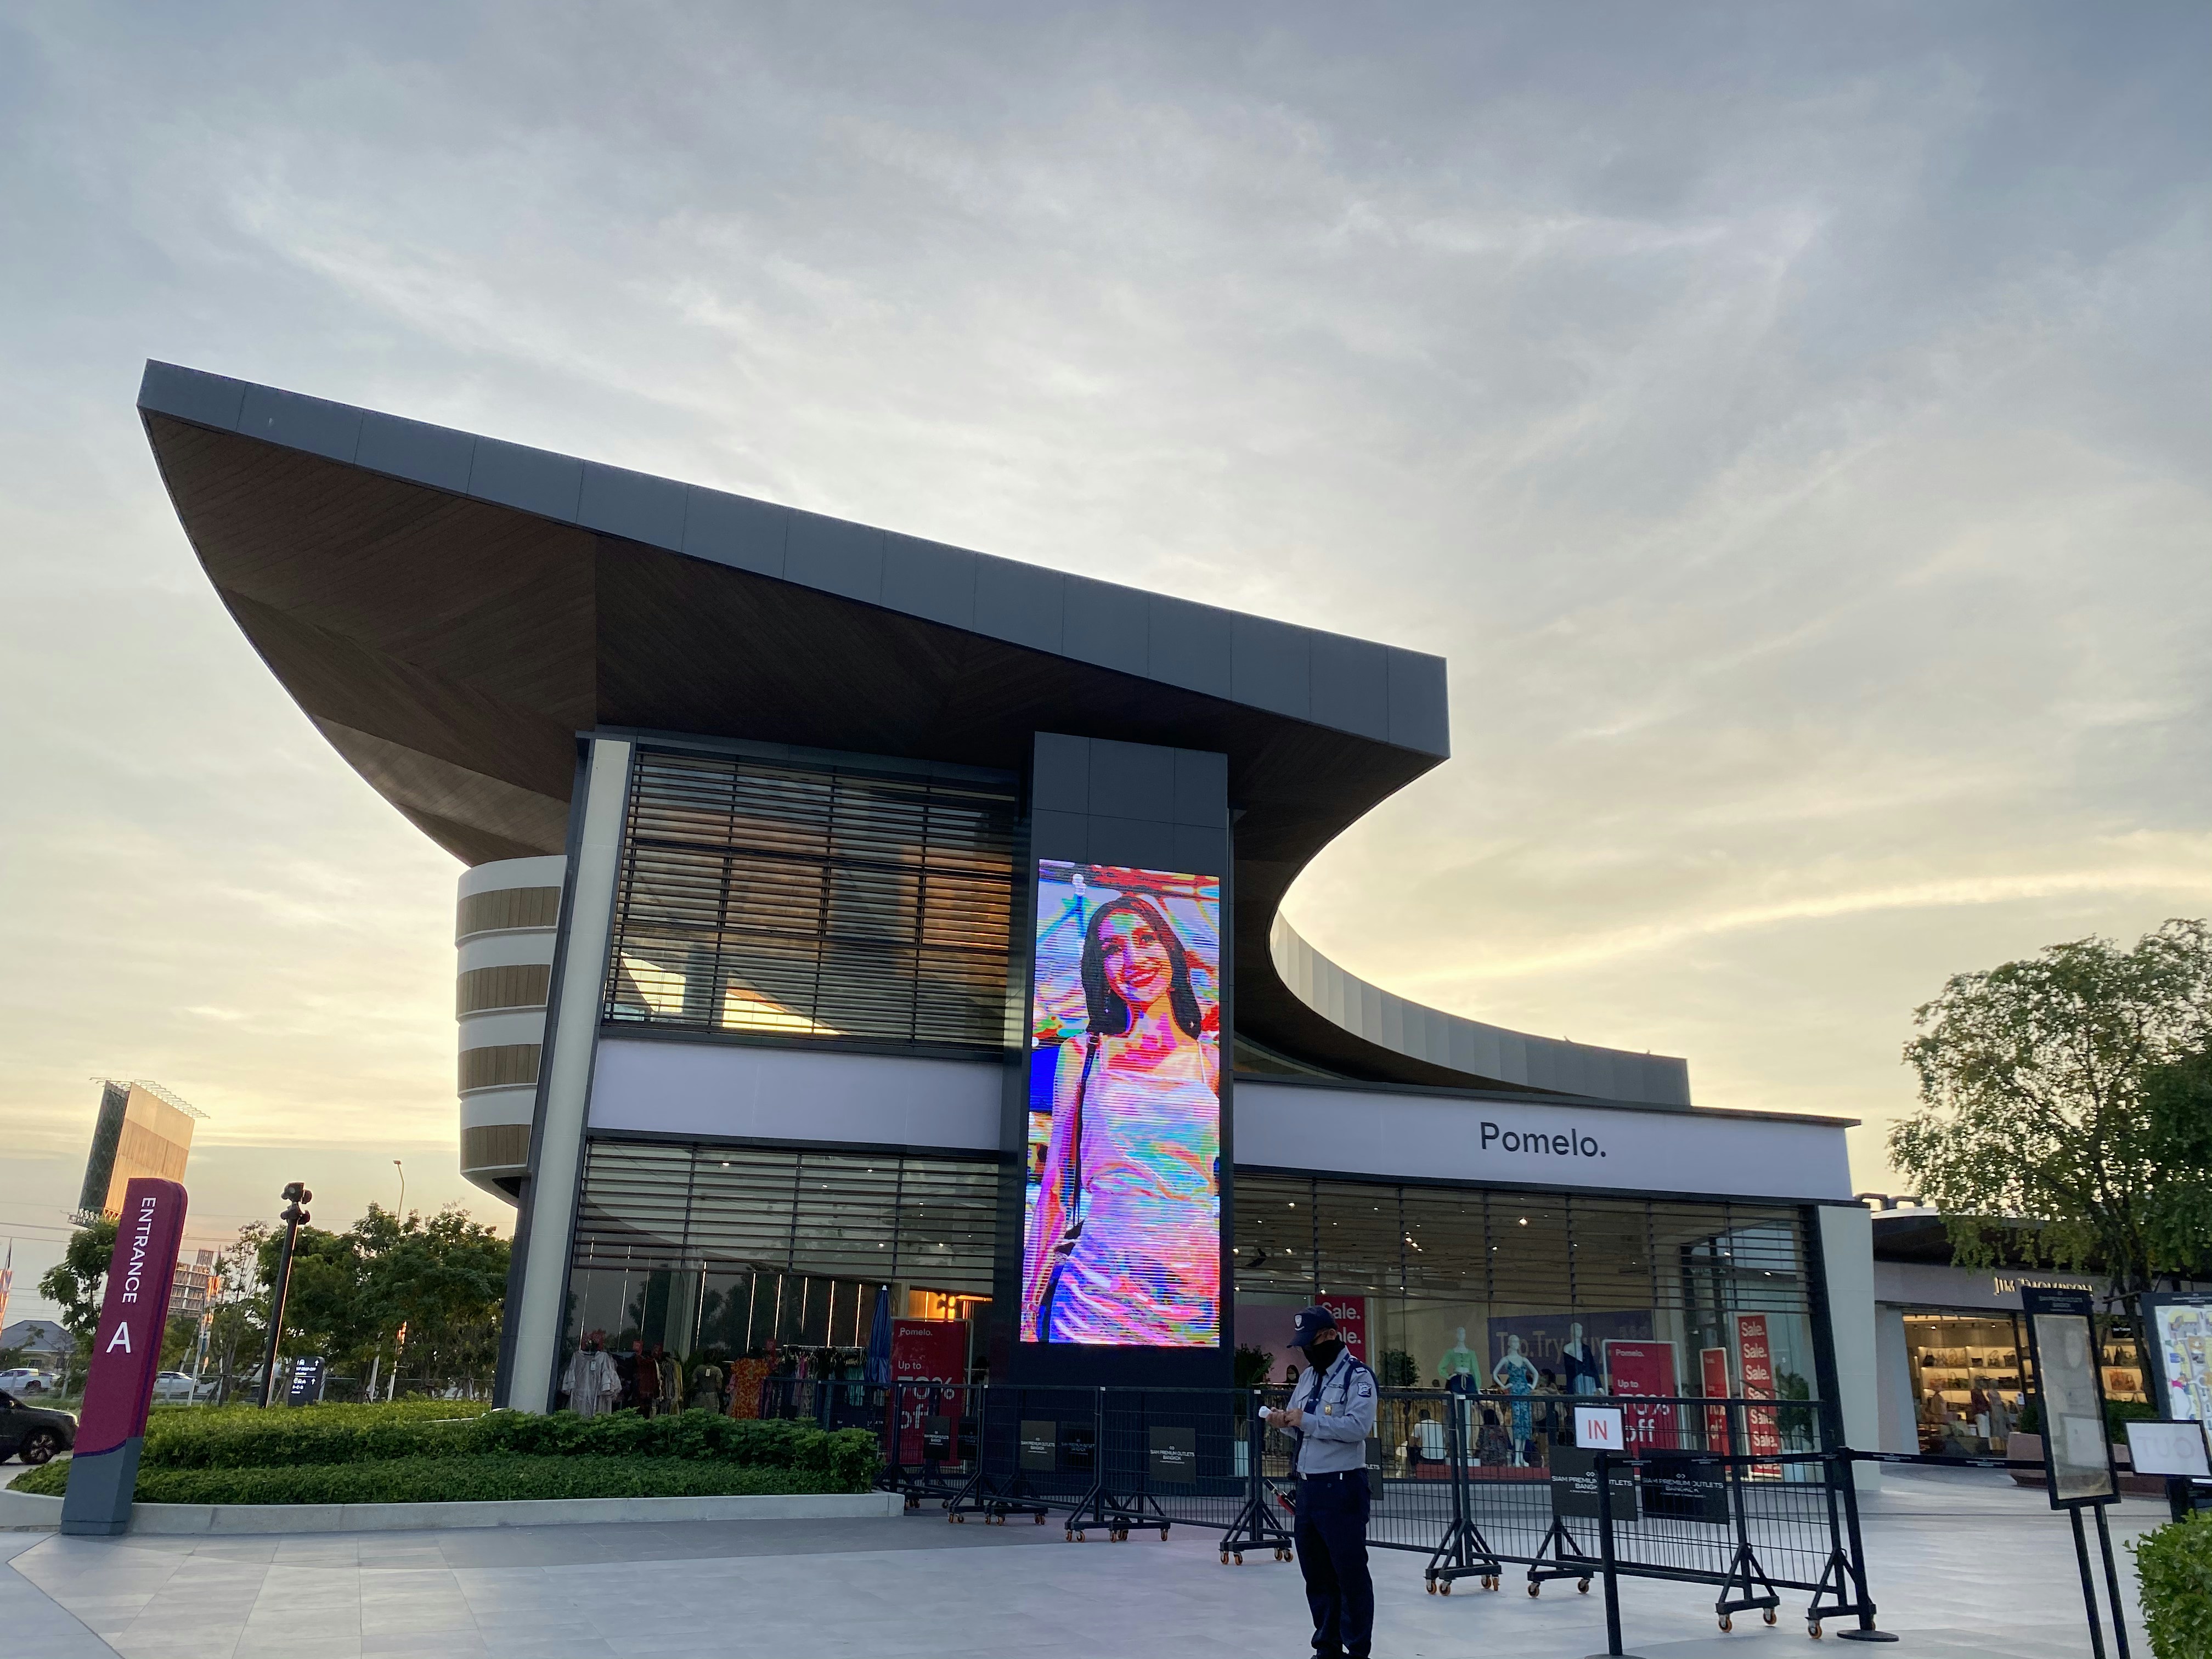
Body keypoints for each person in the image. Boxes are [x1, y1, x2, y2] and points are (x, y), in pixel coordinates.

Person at [1020, 891, 1221, 1345]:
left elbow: (1219, 1180)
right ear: (1102, 971)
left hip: (1194, 1292)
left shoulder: (1210, 1062)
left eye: (1145, 939)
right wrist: (1027, 1308)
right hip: (1098, 1291)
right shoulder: (1083, 1054)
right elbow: (1055, 1185)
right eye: (1113, 949)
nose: (1133, 958)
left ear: (1170, 951)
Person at [1262, 1305, 1376, 1659]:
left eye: (1310, 1342)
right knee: (1316, 1574)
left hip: (1341, 1487)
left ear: (1329, 1336)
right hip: (1309, 1488)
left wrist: (1308, 1421)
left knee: (1350, 1573)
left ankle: (1357, 1649)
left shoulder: (1358, 1377)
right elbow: (1301, 1418)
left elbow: (1359, 1428)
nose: (1306, 1351)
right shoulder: (1309, 1376)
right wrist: (1283, 1420)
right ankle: (1327, 1648)